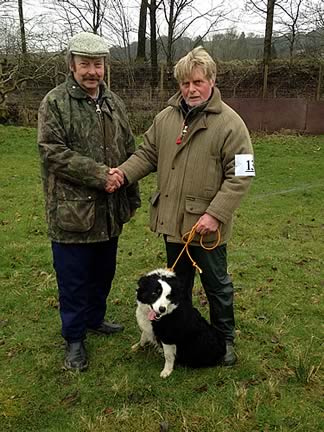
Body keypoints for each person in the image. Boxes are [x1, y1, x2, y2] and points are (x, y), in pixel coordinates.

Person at [109, 46, 255, 366]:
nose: (191, 89)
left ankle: (224, 338)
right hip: (173, 223)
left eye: (198, 82)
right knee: (177, 286)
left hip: (207, 228)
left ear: (212, 81)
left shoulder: (232, 124)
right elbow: (147, 155)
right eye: (185, 83)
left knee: (217, 285)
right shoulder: (165, 118)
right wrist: (122, 174)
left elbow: (242, 175)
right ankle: (177, 334)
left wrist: (215, 215)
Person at [37, 32, 140, 371]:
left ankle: (96, 319)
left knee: (103, 273)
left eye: (98, 64)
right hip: (73, 214)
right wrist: (100, 175)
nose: (92, 71)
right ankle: (75, 339)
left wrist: (130, 189)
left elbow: (129, 147)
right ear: (72, 65)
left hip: (109, 213)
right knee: (74, 280)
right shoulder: (55, 102)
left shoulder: (113, 102)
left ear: (105, 66)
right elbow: (52, 152)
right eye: (85, 64)